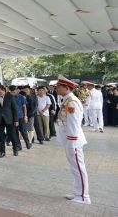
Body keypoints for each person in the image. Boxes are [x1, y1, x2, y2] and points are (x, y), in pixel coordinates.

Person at [55, 76, 90, 204]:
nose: (56, 88)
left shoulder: (71, 102)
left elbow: (74, 123)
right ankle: (78, 193)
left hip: (73, 141)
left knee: (79, 168)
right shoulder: (67, 100)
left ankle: (83, 197)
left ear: (66, 88)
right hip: (70, 140)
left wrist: (72, 142)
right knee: (75, 168)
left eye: (59, 86)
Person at [0, 84, 19, 158]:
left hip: (10, 119)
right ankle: (2, 152)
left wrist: (16, 120)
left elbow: (14, 109)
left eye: (0, 92)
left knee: (12, 135)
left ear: (4, 90)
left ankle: (15, 149)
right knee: (0, 136)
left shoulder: (10, 96)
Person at [11, 85, 30, 151]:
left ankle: (27, 143)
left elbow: (24, 107)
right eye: (11, 92)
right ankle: (19, 146)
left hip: (21, 117)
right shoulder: (9, 97)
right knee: (15, 133)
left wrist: (25, 116)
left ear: (17, 90)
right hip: (12, 118)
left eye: (14, 91)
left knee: (23, 131)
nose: (13, 93)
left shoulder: (22, 97)